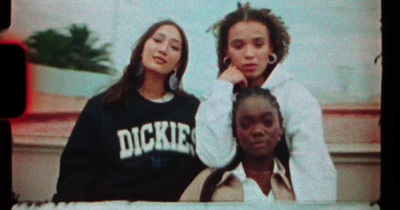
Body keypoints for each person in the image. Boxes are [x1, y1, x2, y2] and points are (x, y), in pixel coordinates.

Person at [195, 2, 336, 201]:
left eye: (258, 44)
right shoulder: (216, 95)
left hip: (279, 198)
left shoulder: (295, 96)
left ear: (271, 49)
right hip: (227, 197)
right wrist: (223, 87)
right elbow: (215, 157)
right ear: (226, 52)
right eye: (238, 45)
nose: (249, 54)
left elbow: (312, 165)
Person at [52, 20, 204, 202]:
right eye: (157, 40)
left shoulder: (192, 110)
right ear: (141, 49)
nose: (163, 49)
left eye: (174, 47)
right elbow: (75, 173)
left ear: (178, 63)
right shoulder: (103, 107)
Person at [180, 87, 295, 201]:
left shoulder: (297, 181)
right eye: (246, 124)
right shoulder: (208, 182)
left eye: (268, 122)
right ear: (235, 131)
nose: (258, 131)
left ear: (280, 125)